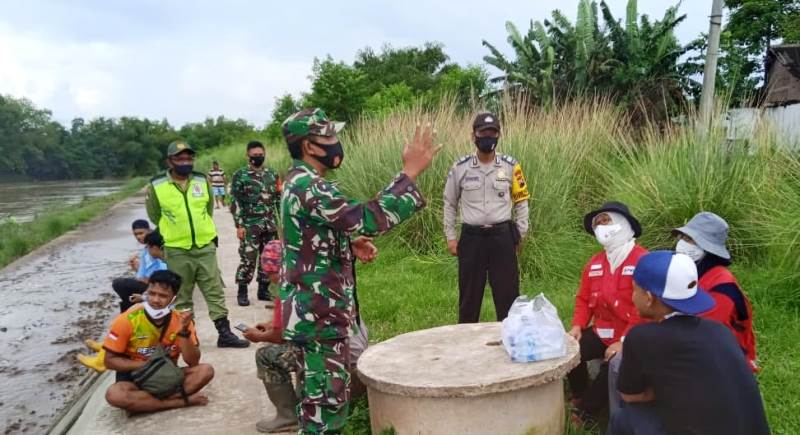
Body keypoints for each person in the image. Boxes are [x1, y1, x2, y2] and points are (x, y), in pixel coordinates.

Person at [279, 108, 439, 433]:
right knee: (324, 414)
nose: (337, 143)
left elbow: (307, 241)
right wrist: (409, 173)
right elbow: (367, 217)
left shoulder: (298, 183)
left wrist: (347, 245)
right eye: (330, 136)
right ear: (310, 146)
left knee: (320, 404)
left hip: (314, 316)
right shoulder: (310, 186)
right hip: (320, 320)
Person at [608, 251, 770, 435]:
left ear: (648, 297)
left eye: (634, 289)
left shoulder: (641, 336)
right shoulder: (720, 330)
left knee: (624, 417)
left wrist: (665, 391)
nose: (632, 296)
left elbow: (630, 395)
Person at [246, 239, 371, 433]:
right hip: (354, 351)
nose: (270, 277)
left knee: (266, 355)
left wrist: (259, 336)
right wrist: (272, 325)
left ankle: (288, 416)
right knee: (300, 344)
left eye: (269, 272)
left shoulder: (288, 289)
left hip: (337, 360)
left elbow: (281, 336)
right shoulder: (319, 278)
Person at [146, 140, 249, 348]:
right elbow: (155, 216)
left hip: (205, 247)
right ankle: (190, 336)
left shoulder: (202, 180)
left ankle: (224, 334)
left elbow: (208, 209)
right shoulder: (157, 185)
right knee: (182, 296)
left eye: (188, 158)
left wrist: (205, 235)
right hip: (176, 250)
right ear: (170, 161)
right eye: (180, 158)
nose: (185, 162)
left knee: (214, 291)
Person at [443, 111, 530, 324]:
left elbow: (521, 201)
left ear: (499, 135)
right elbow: (450, 203)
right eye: (483, 133)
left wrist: (520, 234)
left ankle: (511, 340)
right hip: (472, 239)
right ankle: (467, 344)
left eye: (493, 133)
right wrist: (451, 237)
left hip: (502, 237)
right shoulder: (460, 167)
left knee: (508, 295)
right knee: (469, 298)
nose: (488, 137)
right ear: (474, 135)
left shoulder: (510, 166)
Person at [567, 201, 648, 424]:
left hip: (632, 334)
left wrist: (623, 341)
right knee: (569, 351)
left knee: (612, 364)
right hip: (602, 330)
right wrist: (577, 326)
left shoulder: (643, 261)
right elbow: (583, 299)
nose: (601, 227)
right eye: (598, 223)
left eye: (606, 220)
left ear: (623, 223)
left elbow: (646, 311)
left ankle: (586, 414)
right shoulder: (594, 263)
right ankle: (579, 395)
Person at [103, 270, 215, 413]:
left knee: (205, 371)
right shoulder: (128, 319)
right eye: (151, 293)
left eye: (163, 296)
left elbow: (193, 362)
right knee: (114, 394)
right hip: (134, 379)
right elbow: (109, 361)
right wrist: (146, 365)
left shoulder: (182, 320)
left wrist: (183, 331)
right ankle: (178, 402)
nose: (155, 300)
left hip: (167, 376)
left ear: (174, 298)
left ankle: (146, 403)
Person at [673, 212, 758, 371]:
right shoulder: (689, 272)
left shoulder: (722, 286)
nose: (683, 244)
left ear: (707, 248)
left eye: (691, 240)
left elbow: (706, 335)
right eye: (683, 238)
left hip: (724, 361)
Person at [230, 140, 282, 307]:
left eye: (261, 155)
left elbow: (278, 199)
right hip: (250, 224)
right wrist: (239, 224)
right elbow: (235, 201)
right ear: (248, 156)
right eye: (255, 155)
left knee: (268, 257)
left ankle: (263, 289)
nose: (258, 157)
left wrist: (282, 221)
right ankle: (242, 291)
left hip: (269, 224)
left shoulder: (272, 174)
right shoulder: (240, 175)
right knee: (248, 257)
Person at [110, 219, 153, 313]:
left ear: (149, 231)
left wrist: (140, 271)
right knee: (124, 285)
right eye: (136, 234)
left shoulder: (154, 247)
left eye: (141, 233)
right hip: (151, 282)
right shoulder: (147, 247)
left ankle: (130, 311)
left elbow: (157, 276)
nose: (138, 237)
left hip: (157, 285)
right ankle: (131, 310)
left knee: (119, 284)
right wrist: (137, 269)